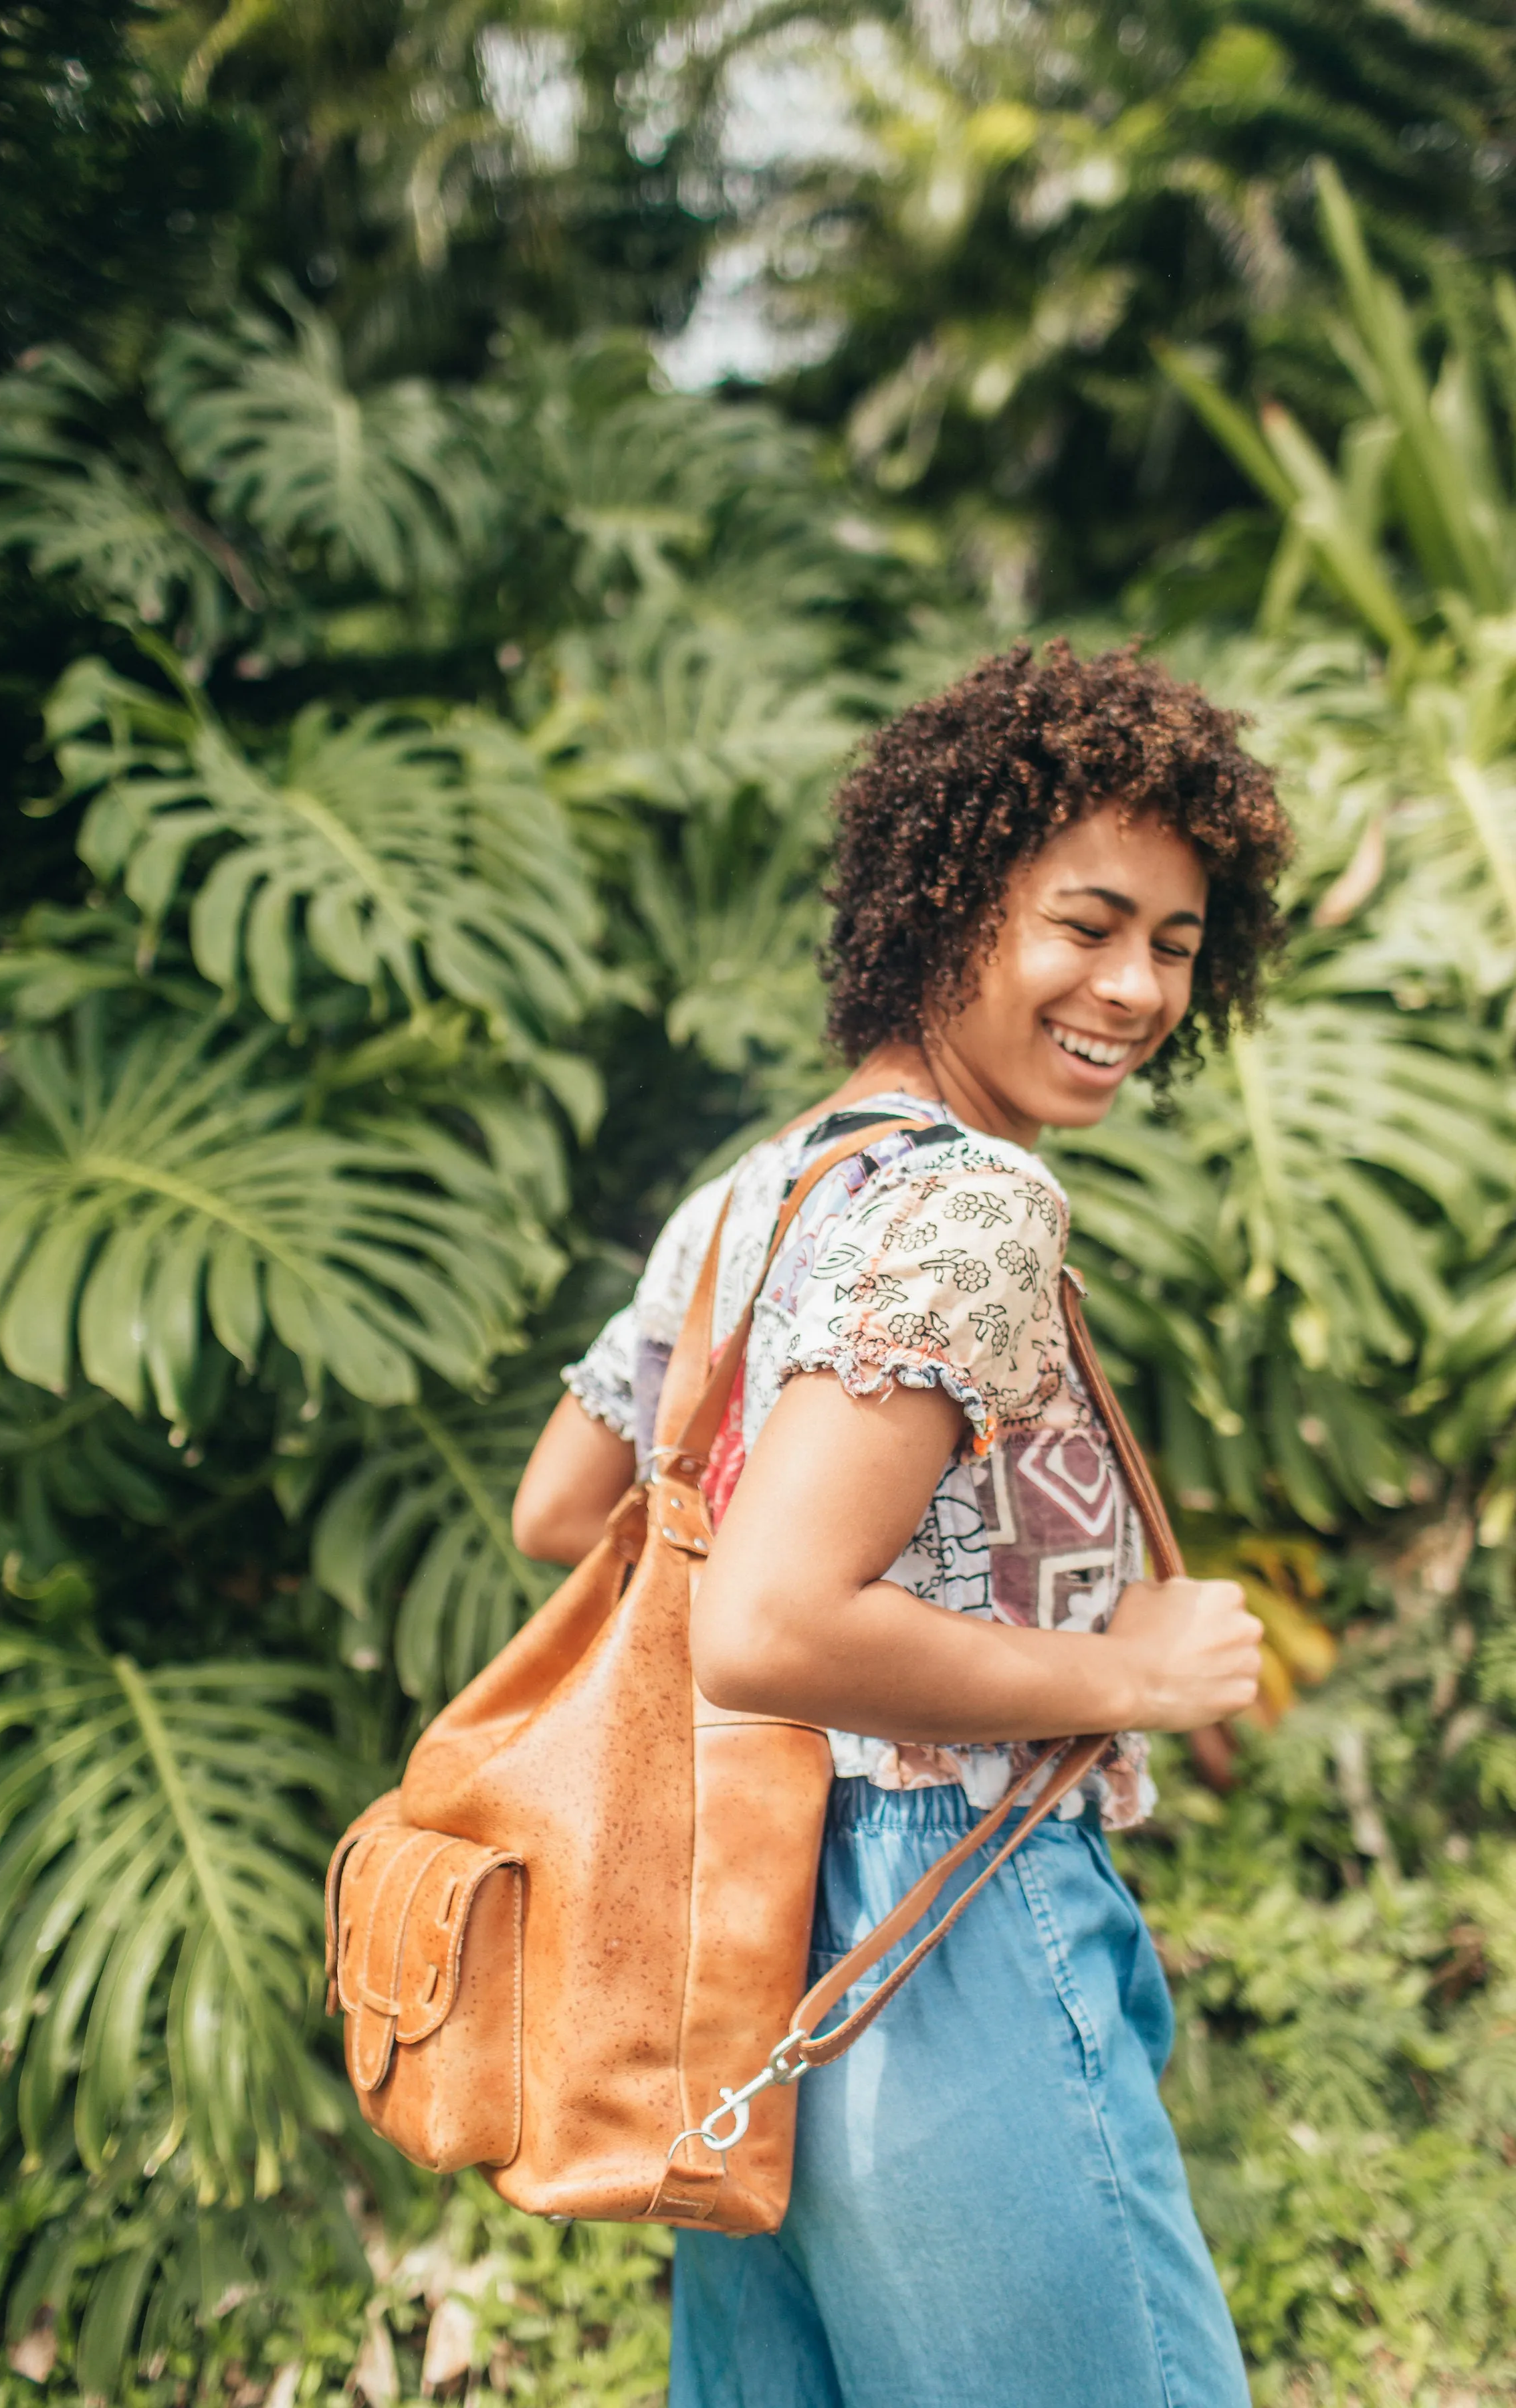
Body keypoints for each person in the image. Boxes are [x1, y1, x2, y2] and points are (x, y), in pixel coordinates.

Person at [512, 641, 1291, 2408]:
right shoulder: (968, 1202)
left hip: (742, 1936)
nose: (1138, 986)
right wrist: (1125, 1671)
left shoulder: (751, 1193)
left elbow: (562, 1508)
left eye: (1174, 943)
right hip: (936, 1933)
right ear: (947, 908)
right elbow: (767, 1625)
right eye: (1085, 924)